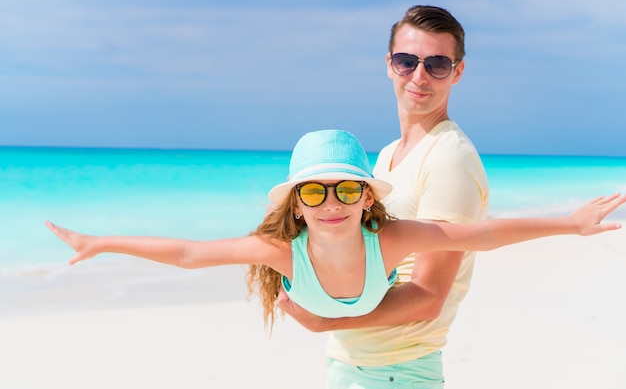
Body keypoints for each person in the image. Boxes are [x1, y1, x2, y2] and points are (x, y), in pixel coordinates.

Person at [47, 129, 624, 332]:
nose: (332, 203)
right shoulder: (282, 252)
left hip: (355, 320)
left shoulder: (390, 240)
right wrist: (99, 242)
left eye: (348, 189)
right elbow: (191, 251)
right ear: (297, 205)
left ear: (367, 197)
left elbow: (481, 234)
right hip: (305, 302)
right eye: (316, 191)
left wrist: (570, 224)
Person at [271, 5, 491, 388]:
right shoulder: (388, 156)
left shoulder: (449, 158)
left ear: (457, 72)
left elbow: (428, 296)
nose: (419, 76)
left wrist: (328, 319)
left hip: (396, 371)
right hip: (355, 364)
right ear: (390, 64)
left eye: (437, 64)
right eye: (408, 61)